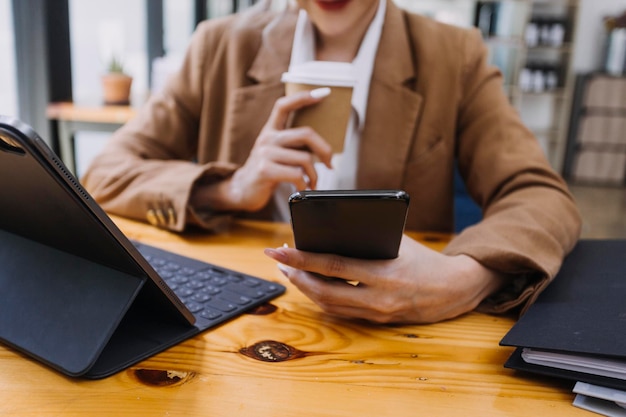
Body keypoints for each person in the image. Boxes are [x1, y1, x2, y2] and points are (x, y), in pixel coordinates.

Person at [82, 0, 582, 324]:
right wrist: (230, 188)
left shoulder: (454, 56)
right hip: (245, 317)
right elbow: (104, 173)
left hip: (404, 339)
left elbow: (539, 195)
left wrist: (464, 279)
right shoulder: (221, 46)